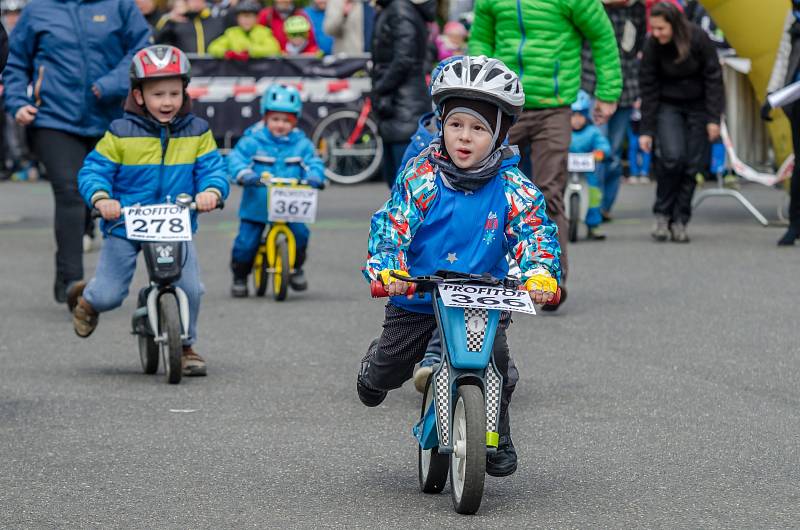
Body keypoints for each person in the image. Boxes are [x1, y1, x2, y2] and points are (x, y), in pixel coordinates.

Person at [357, 56, 561, 477]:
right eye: (456, 125)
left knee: (500, 369)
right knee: (391, 366)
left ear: (500, 133)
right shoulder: (423, 175)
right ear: (441, 123)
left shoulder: (511, 185)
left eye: (479, 128)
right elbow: (392, 225)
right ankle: (373, 369)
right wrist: (388, 268)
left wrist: (539, 272)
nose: (465, 137)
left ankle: (496, 433)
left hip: (481, 298)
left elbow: (534, 230)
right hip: (417, 293)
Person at [69, 45, 229, 376]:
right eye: (157, 94)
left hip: (174, 222)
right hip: (126, 221)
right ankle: (88, 299)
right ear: (139, 96)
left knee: (191, 287)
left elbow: (213, 169)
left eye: (174, 92)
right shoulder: (120, 133)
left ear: (184, 91)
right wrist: (102, 199)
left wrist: (211, 192)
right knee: (110, 293)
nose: (167, 101)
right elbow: (93, 171)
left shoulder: (197, 131)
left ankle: (185, 346)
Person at [470, 0, 621, 311]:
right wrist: (477, 84)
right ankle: (475, 275)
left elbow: (602, 35)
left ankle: (551, 279)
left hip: (554, 105)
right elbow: (481, 39)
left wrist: (608, 93)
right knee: (481, 184)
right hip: (503, 102)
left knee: (548, 191)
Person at [4, 0, 151, 304]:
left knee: (104, 193)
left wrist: (111, 83)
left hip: (112, 117)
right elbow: (16, 60)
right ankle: (70, 281)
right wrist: (17, 102)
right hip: (54, 119)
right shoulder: (38, 9)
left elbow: (140, 50)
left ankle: (131, 271)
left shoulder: (120, 6)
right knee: (70, 192)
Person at [228, 84, 326, 297]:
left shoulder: (302, 144)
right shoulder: (252, 140)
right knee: (246, 242)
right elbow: (236, 159)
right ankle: (240, 275)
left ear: (294, 121)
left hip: (291, 206)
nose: (280, 125)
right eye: (275, 119)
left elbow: (313, 163)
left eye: (286, 121)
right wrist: (245, 174)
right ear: (265, 118)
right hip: (257, 206)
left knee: (301, 234)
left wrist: (315, 177)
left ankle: (297, 266)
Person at [639, 1, 723, 243]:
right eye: (653, 28)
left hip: (698, 106)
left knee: (691, 166)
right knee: (672, 159)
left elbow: (714, 79)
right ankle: (663, 214)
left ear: (674, 24)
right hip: (668, 106)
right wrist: (646, 130)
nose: (656, 33)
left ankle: (680, 220)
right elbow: (648, 87)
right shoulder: (652, 44)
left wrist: (713, 118)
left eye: (660, 29)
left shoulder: (698, 38)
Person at [581, 0, 647, 222]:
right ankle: (594, 206)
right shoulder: (590, 6)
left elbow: (637, 45)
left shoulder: (636, 9)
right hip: (592, 84)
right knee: (598, 149)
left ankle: (605, 206)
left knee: (613, 153)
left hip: (626, 87)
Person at [371, 0, 436, 188]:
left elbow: (404, 58)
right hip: (402, 103)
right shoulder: (399, 8)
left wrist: (380, 87)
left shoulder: (398, 9)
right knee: (402, 183)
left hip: (402, 105)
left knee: (403, 183)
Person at [763, 0, 800, 246]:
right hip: (795, 97)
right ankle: (795, 223)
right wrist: (772, 93)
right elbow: (784, 53)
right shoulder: (793, 14)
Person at [569, 91, 612, 240]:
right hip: (566, 172)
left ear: (586, 115)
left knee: (594, 196)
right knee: (554, 193)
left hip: (587, 174)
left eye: (580, 115)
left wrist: (600, 152)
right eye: (573, 115)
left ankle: (593, 226)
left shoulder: (592, 132)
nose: (576, 119)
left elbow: (603, 145)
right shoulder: (563, 132)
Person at [208, 0, 282, 60]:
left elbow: (274, 48)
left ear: (256, 18)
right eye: (243, 17)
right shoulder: (232, 32)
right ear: (237, 19)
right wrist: (227, 53)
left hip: (259, 73)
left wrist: (250, 52)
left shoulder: (264, 31)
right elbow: (213, 47)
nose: (246, 21)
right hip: (237, 73)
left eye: (250, 17)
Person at [154, 0, 226, 55]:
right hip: (186, 68)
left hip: (213, 69)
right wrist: (169, 21)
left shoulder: (216, 20)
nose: (196, 2)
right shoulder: (175, 21)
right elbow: (159, 41)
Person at [626, 104, 652, 183]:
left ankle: (644, 173)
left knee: (646, 148)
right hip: (633, 124)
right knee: (632, 147)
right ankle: (634, 173)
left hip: (646, 124)